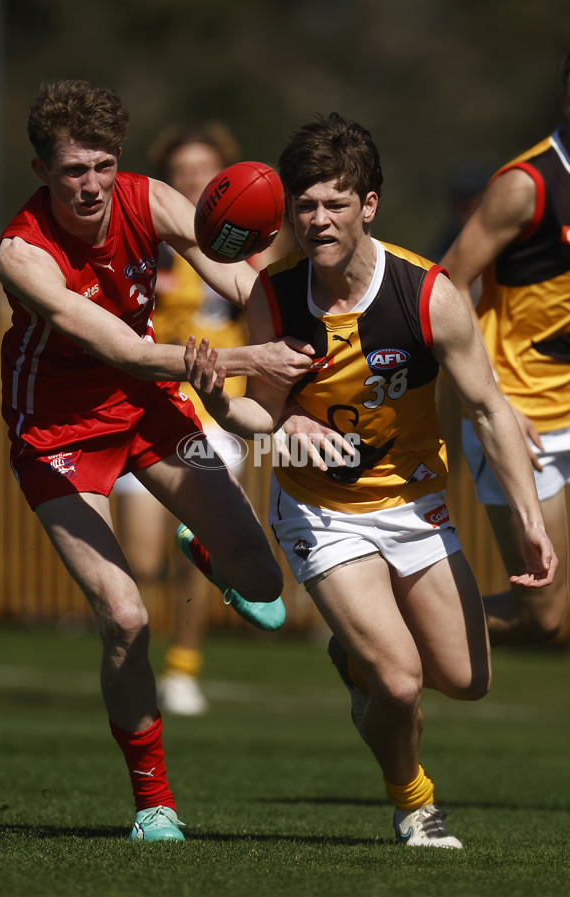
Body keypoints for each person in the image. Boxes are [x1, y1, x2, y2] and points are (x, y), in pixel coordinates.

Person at [183, 113, 557, 848]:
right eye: (306, 205)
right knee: (399, 682)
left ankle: (348, 657)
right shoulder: (277, 297)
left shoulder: (428, 295)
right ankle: (415, 802)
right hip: (319, 510)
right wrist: (239, 407)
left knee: (467, 679)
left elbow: (487, 407)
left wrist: (531, 518)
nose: (318, 220)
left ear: (370, 205)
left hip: (414, 503)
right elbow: (257, 419)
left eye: (336, 203)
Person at [0, 79, 314, 842]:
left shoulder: (150, 197)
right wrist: (254, 354)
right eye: (73, 169)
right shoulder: (21, 253)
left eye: (103, 164)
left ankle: (202, 546)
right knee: (127, 615)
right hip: (58, 433)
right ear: (42, 171)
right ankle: (155, 803)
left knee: (265, 585)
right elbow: (124, 349)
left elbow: (232, 271)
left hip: (145, 409)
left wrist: (276, 314)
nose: (92, 184)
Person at [115, 122, 296, 716]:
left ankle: (184, 667)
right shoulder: (148, 231)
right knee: (142, 558)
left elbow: (273, 299)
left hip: (217, 407)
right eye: (184, 171)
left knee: (203, 541)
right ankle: (136, 658)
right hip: (146, 400)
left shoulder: (250, 239)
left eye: (205, 170)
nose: (194, 180)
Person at [440, 50, 570, 646]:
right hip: (523, 416)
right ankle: (383, 632)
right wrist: (491, 398)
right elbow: (447, 285)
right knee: (540, 615)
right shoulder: (528, 184)